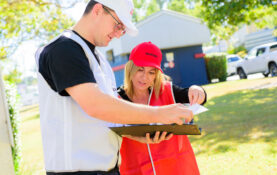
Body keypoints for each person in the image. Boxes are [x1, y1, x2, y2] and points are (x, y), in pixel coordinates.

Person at [34, 0, 200, 174]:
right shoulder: (64, 49)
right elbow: (96, 105)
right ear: (98, 10)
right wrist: (160, 113)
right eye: (118, 24)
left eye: (122, 29)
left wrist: (133, 133)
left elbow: (104, 117)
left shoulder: (98, 59)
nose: (119, 34)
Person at [118, 42, 206, 175]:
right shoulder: (117, 99)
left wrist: (199, 90)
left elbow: (195, 96)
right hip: (135, 168)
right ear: (130, 68)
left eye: (151, 72)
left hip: (176, 167)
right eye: (140, 69)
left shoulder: (167, 90)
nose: (144, 77)